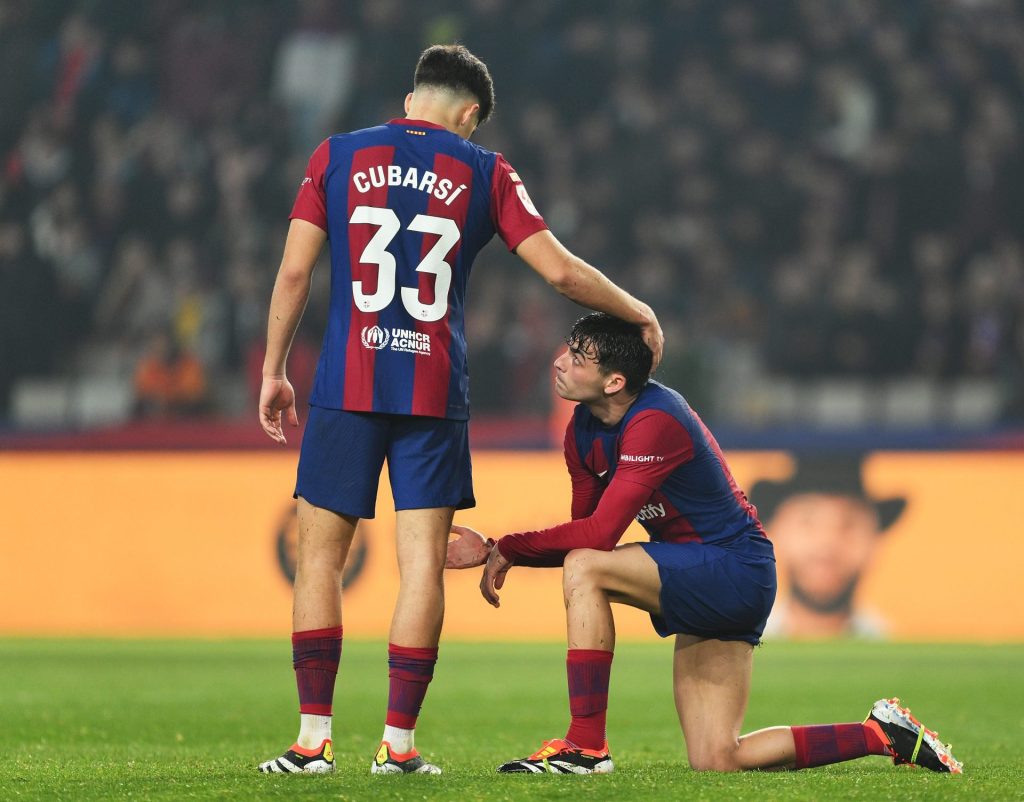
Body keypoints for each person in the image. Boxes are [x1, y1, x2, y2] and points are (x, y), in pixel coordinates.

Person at [256, 45, 664, 776]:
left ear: (413, 97)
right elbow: (563, 273)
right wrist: (637, 311)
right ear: (470, 114)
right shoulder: (485, 170)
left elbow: (293, 271)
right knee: (421, 571)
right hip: (433, 392)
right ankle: (399, 748)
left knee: (320, 557)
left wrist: (273, 369)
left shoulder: (338, 155)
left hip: (345, 385)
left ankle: (310, 744)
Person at [447, 312, 962, 776]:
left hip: (734, 570)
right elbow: (587, 528)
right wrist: (501, 547)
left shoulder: (655, 420)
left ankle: (585, 747)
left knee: (585, 565)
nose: (560, 362)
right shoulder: (582, 428)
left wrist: (509, 547)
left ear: (615, 380)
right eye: (568, 349)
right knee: (718, 758)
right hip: (704, 574)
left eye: (578, 358)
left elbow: (597, 539)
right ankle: (878, 734)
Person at [748, 455, 904, 638]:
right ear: (775, 531)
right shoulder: (740, 650)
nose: (827, 542)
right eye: (808, 521)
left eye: (849, 523)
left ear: (873, 538)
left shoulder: (891, 652)